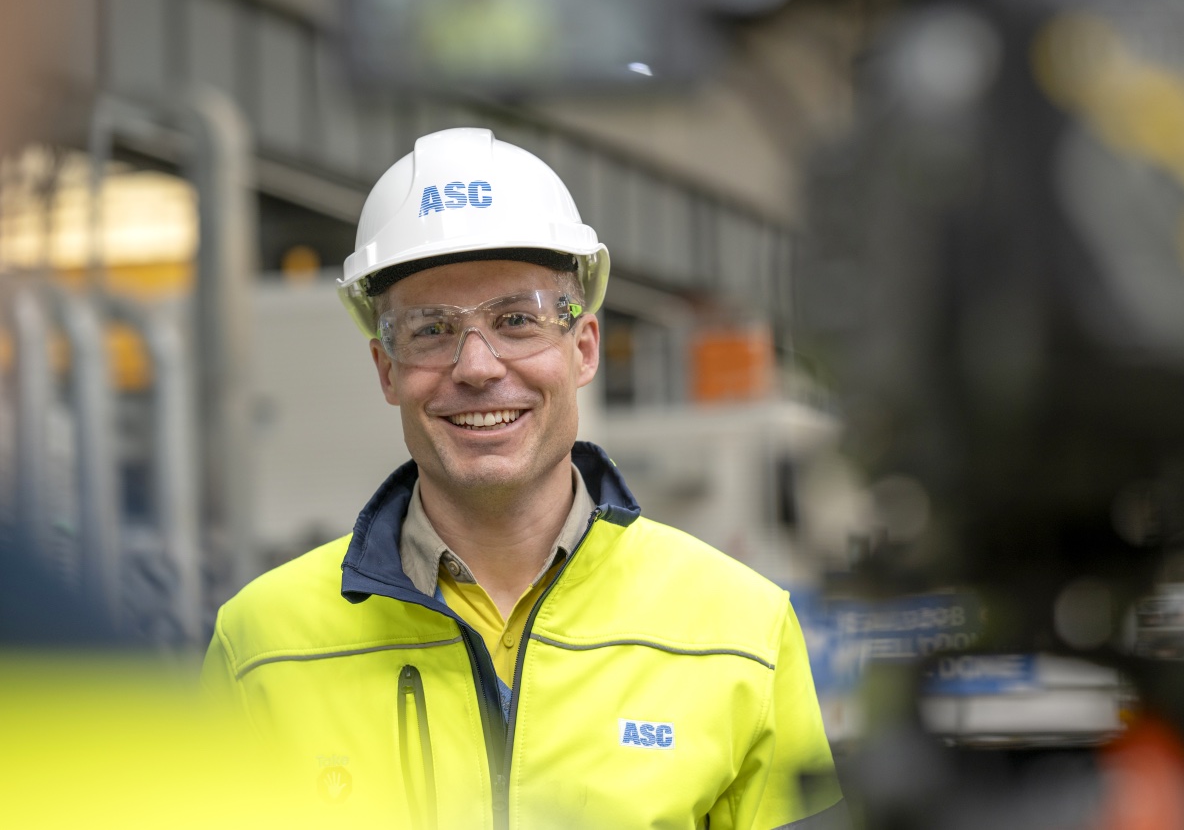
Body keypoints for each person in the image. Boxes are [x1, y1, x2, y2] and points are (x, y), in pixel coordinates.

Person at [201, 127, 847, 829]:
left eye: (517, 320)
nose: (476, 366)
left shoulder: (741, 630)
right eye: (430, 330)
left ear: (584, 348)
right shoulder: (261, 646)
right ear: (387, 370)